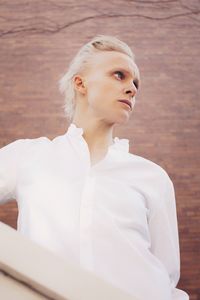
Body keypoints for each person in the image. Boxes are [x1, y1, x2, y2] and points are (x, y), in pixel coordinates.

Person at [0, 35, 189, 300]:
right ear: (80, 83)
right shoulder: (28, 157)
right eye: (119, 75)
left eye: (136, 83)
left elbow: (168, 278)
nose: (132, 88)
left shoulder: (152, 177)